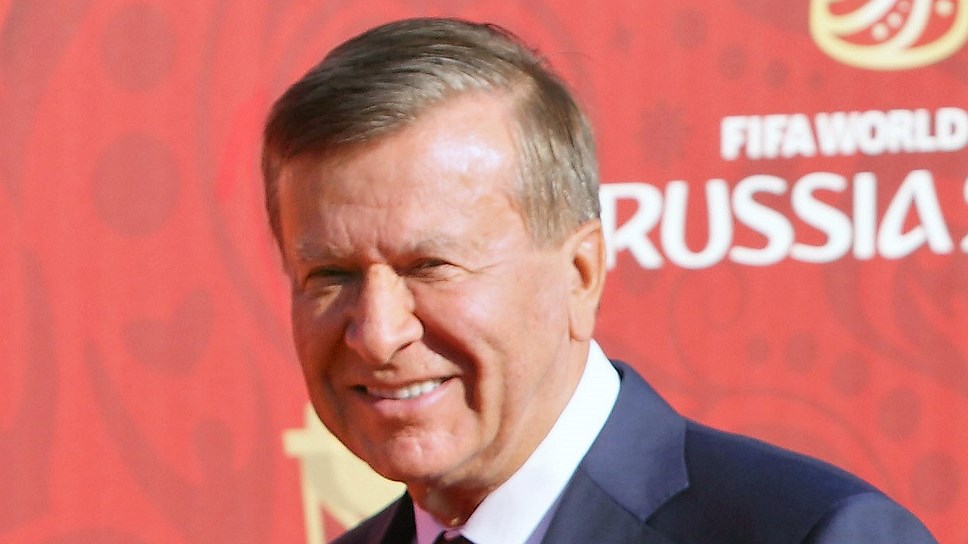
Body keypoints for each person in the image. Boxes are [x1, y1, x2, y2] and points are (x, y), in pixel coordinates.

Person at [261, 17, 937, 544]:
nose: (378, 333)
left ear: (581, 275)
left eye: (430, 267)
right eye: (331, 275)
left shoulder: (814, 534)